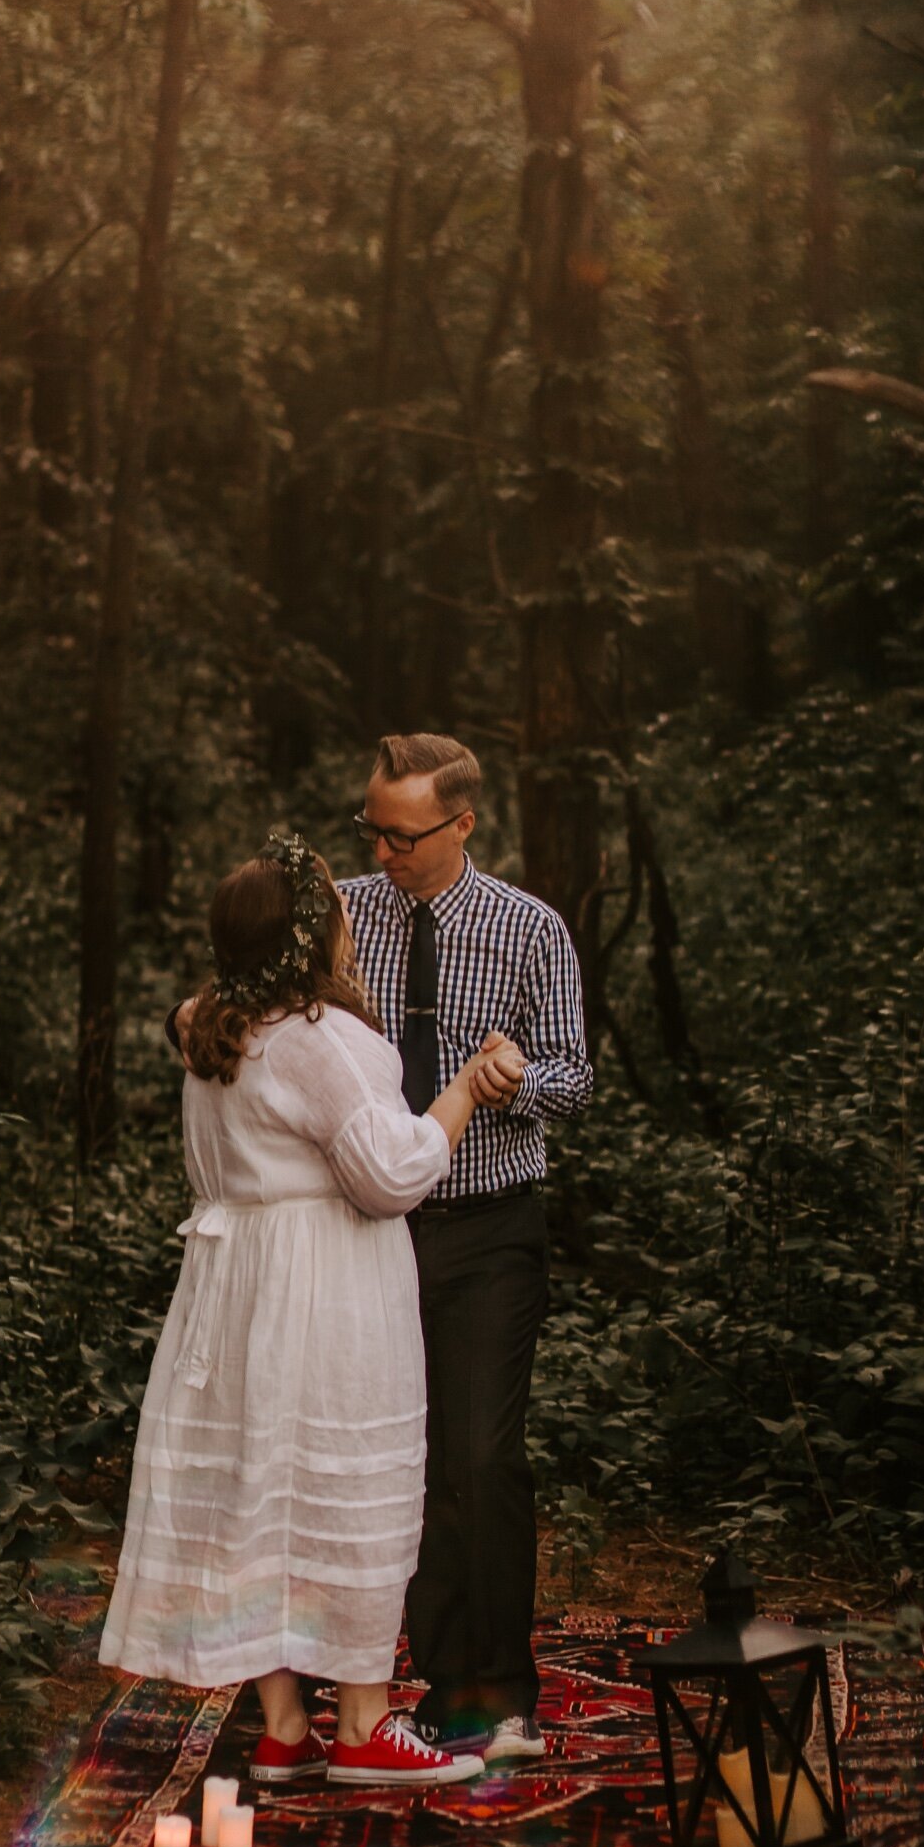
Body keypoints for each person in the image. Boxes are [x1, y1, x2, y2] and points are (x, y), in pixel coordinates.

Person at [101, 830, 506, 1787]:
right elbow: (392, 1175)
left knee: (267, 1494)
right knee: (350, 1487)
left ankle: (284, 1725)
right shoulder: (325, 1042)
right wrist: (461, 1095)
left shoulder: (208, 1025)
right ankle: (362, 1727)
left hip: (235, 1290)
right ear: (310, 936)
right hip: (325, 1289)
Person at [338, 733, 593, 1761]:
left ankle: (505, 1686)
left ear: (461, 824)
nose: (385, 852)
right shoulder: (345, 914)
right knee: (412, 1459)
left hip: (490, 1229)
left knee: (484, 1454)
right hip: (371, 1231)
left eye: (403, 835)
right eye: (373, 831)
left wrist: (516, 1079)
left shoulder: (529, 928)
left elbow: (576, 1077)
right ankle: (442, 1685)